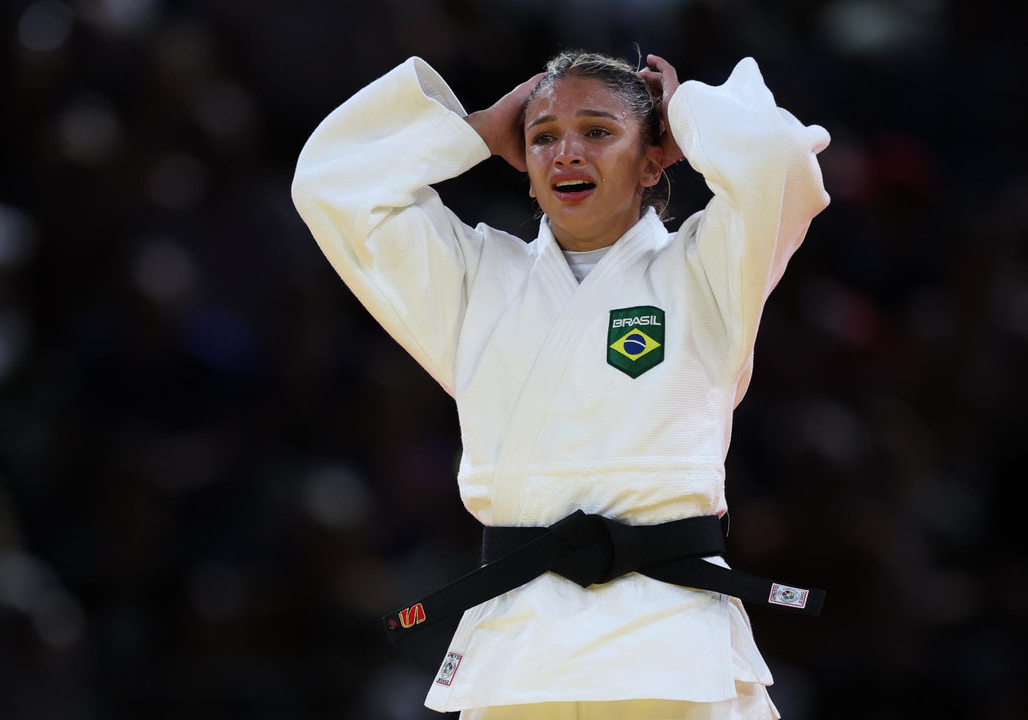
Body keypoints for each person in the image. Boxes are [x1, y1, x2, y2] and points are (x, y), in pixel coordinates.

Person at [292, 47, 830, 720]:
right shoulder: (477, 280)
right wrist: (478, 130)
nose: (566, 153)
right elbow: (331, 187)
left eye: (598, 131)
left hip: (673, 646)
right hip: (520, 653)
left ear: (655, 157)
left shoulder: (709, 269)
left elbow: (782, 167)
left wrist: (688, 109)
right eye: (543, 136)